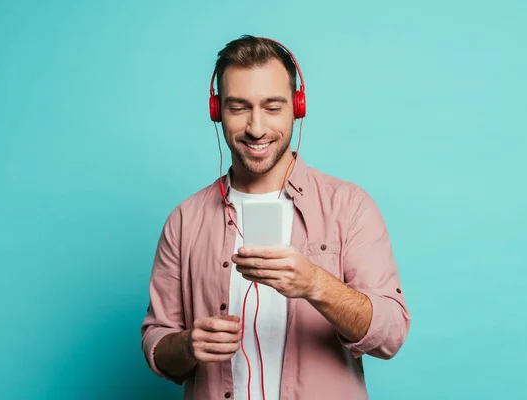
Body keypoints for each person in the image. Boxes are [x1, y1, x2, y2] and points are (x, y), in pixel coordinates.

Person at [140, 35, 410, 400]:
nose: (256, 128)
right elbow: (157, 341)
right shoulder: (184, 220)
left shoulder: (350, 206)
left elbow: (390, 334)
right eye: (239, 108)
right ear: (216, 110)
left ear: (297, 107)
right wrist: (187, 345)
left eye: (272, 107)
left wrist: (316, 283)